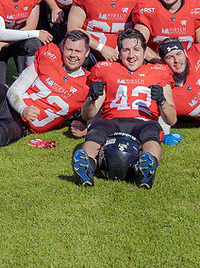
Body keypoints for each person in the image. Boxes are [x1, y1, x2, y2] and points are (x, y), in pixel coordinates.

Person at [71, 29, 175, 189]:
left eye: (136, 49)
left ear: (144, 51)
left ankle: (148, 166)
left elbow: (172, 119)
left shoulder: (159, 71)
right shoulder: (105, 69)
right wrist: (91, 98)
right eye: (126, 50)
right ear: (119, 52)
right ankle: (87, 166)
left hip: (144, 122)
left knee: (151, 134)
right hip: (112, 122)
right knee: (96, 132)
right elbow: (87, 115)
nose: (131, 55)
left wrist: (162, 101)